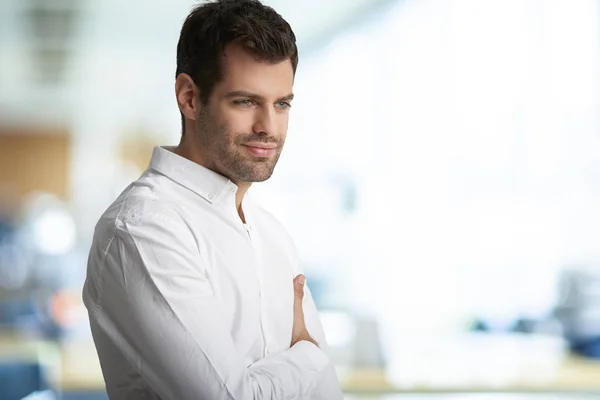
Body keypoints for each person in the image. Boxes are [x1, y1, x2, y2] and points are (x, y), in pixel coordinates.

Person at [82, 0, 343, 399]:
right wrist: (308, 354)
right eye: (245, 101)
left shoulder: (271, 234)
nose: (268, 127)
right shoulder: (144, 229)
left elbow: (326, 394)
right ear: (189, 98)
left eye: (282, 104)